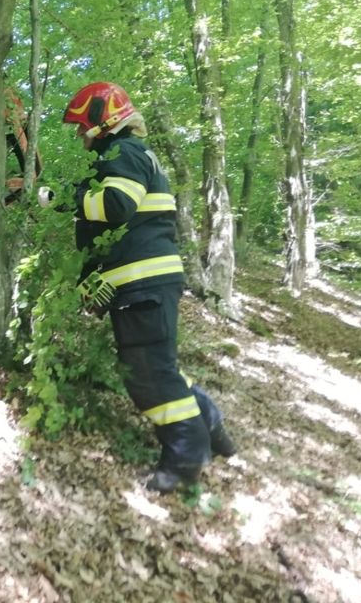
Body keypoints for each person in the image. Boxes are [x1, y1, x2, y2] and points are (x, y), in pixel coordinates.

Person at [45, 81, 236, 493]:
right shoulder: (130, 154)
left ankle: (186, 459)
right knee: (160, 366)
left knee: (148, 374)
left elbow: (116, 206)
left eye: (81, 126)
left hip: (143, 282)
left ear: (102, 121)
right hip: (143, 281)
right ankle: (212, 426)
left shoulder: (124, 152)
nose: (79, 135)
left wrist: (59, 196)